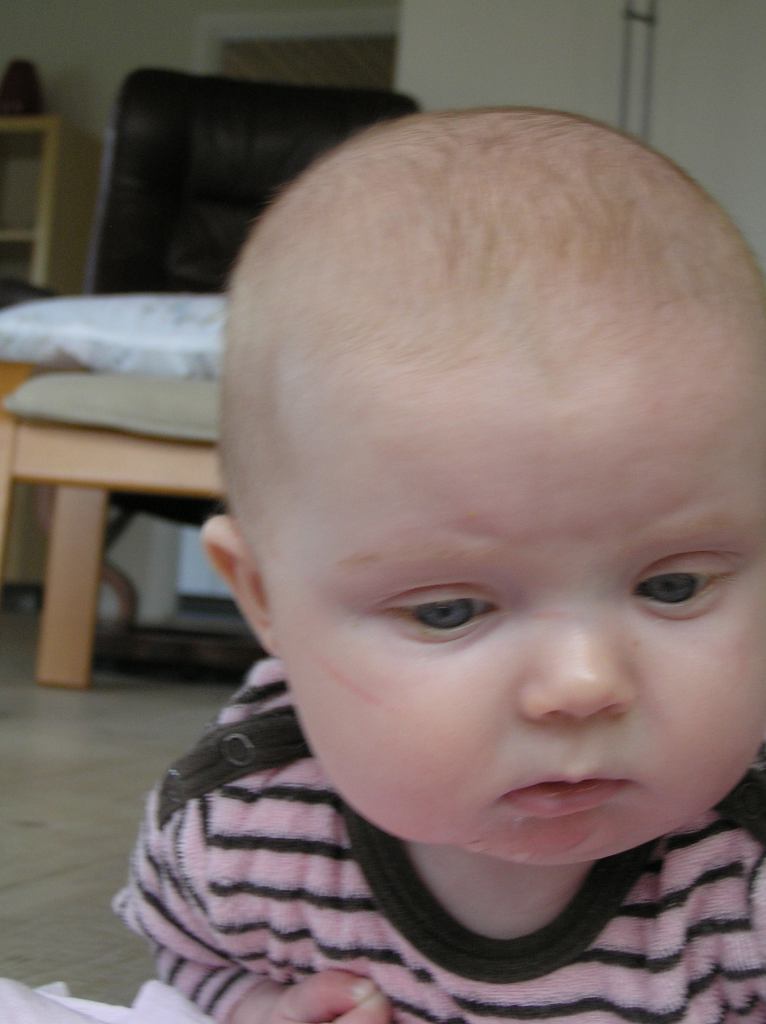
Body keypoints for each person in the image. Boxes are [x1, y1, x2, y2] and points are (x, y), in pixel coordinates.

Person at [115, 108, 766, 1024]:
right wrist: (259, 1006)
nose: (583, 684)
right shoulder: (237, 827)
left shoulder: (743, 869)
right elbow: (192, 963)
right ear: (263, 598)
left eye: (672, 586)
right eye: (448, 610)